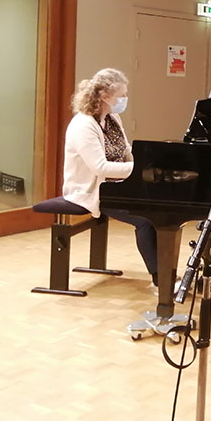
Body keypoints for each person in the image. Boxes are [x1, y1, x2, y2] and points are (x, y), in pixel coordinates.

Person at [62, 68, 159, 285]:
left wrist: (143, 165)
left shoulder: (113, 118)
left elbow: (126, 150)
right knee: (145, 220)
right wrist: (137, 170)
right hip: (91, 191)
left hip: (118, 185)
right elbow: (100, 168)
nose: (124, 99)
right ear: (105, 96)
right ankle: (160, 278)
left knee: (159, 210)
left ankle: (166, 272)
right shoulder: (83, 125)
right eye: (121, 95)